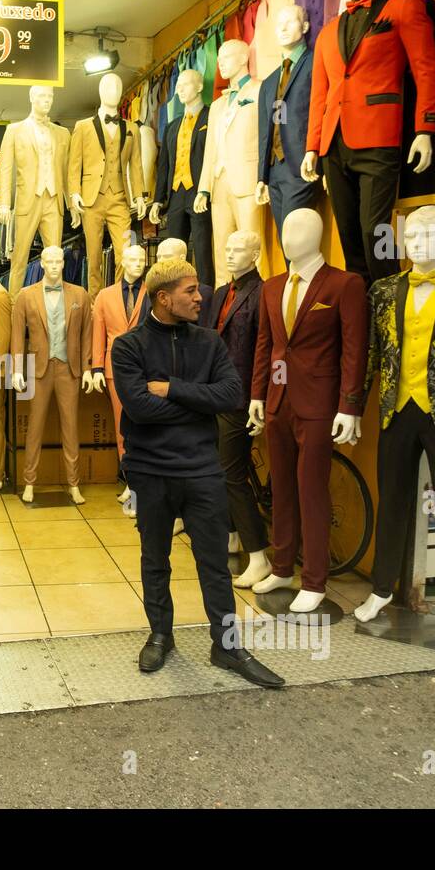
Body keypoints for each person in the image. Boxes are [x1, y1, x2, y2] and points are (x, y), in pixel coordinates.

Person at [110, 258, 284, 687]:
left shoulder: (209, 342)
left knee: (213, 563)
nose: (200, 296)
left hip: (204, 471)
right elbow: (139, 409)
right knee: (156, 558)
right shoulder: (128, 347)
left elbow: (230, 395)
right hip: (150, 473)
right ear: (164, 297)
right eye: (190, 291)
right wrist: (195, 403)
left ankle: (226, 646)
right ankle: (161, 634)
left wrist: (172, 388)